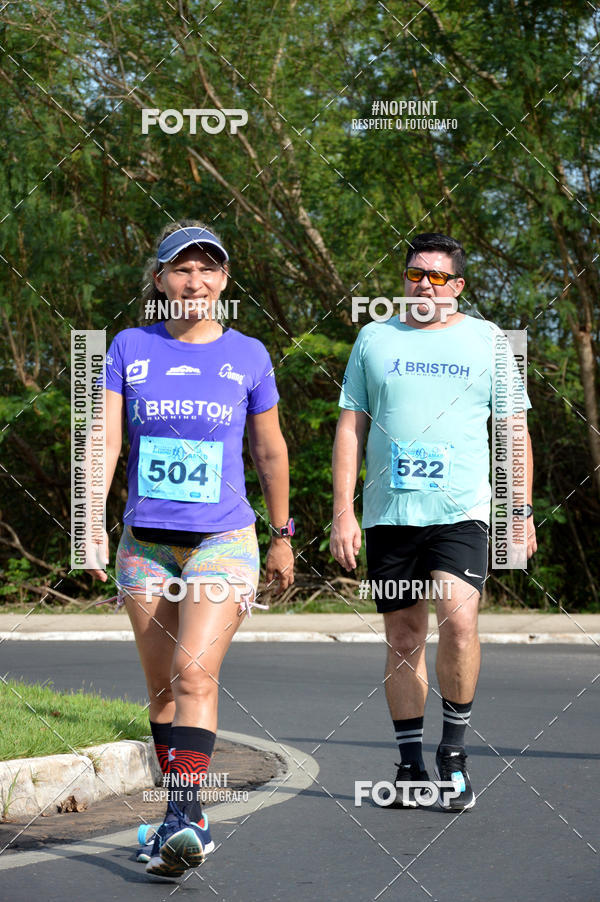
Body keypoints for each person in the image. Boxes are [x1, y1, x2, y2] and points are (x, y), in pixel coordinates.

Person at [87, 220, 295, 879]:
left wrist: (283, 535)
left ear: (224, 282)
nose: (194, 280)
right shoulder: (128, 347)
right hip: (145, 543)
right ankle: (188, 819)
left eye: (208, 269)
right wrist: (90, 521)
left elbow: (269, 451)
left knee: (194, 674)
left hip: (224, 540)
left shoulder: (250, 355)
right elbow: (105, 439)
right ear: (159, 281)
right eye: (181, 269)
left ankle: (180, 817)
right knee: (161, 690)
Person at [330, 232, 536, 811]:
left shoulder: (489, 341)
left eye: (438, 276)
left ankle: (453, 755)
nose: (425, 283)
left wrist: (519, 510)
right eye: (415, 273)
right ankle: (408, 766)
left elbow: (514, 430)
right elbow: (351, 428)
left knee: (459, 620)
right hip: (390, 514)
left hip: (461, 512)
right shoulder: (374, 337)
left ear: (459, 286)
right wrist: (343, 511)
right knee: (403, 637)